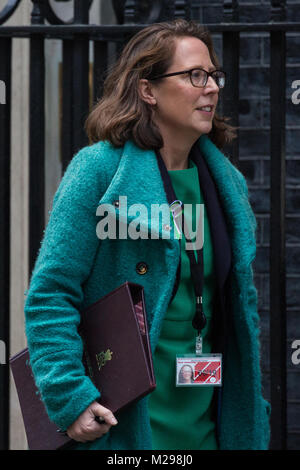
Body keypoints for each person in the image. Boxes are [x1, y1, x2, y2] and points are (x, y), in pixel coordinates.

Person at [24, 18, 271, 450]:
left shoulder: (225, 182)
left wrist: (254, 410)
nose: (211, 87)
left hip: (211, 426)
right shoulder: (99, 171)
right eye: (195, 75)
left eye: (214, 75)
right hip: (125, 428)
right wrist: (71, 398)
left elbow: (239, 311)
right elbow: (51, 295)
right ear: (147, 90)